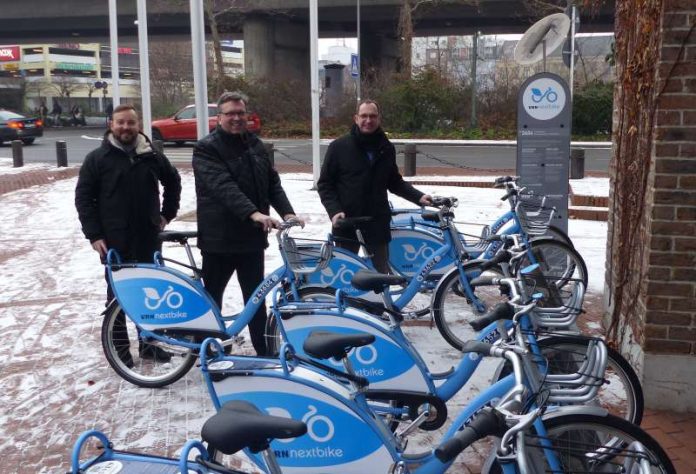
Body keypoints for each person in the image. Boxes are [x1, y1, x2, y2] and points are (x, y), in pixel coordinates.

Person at [192, 91, 301, 356]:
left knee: (256, 298)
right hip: (219, 239)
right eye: (230, 113)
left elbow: (271, 183)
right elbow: (223, 187)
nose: (237, 118)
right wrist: (254, 213)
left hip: (251, 238)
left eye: (241, 113)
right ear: (219, 117)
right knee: (212, 299)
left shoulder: (256, 145)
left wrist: (287, 212)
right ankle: (209, 351)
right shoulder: (207, 148)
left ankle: (264, 352)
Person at [75, 104, 182, 366]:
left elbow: (173, 181)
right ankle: (120, 351)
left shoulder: (151, 155)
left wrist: (166, 215)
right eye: (120, 122)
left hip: (148, 237)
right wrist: (94, 235)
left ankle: (149, 345)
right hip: (114, 240)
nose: (126, 127)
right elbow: (83, 199)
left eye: (131, 123)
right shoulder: (97, 159)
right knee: (118, 298)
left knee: (151, 294)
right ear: (111, 124)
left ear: (138, 125)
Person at [317, 99, 432, 274]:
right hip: (347, 221)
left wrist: (418, 197)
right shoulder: (339, 147)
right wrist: (334, 211)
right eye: (364, 116)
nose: (368, 120)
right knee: (344, 273)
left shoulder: (386, 148)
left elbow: (394, 181)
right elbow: (325, 184)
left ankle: (378, 302)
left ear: (379, 119)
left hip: (376, 222)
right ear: (356, 118)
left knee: (381, 275)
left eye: (373, 116)